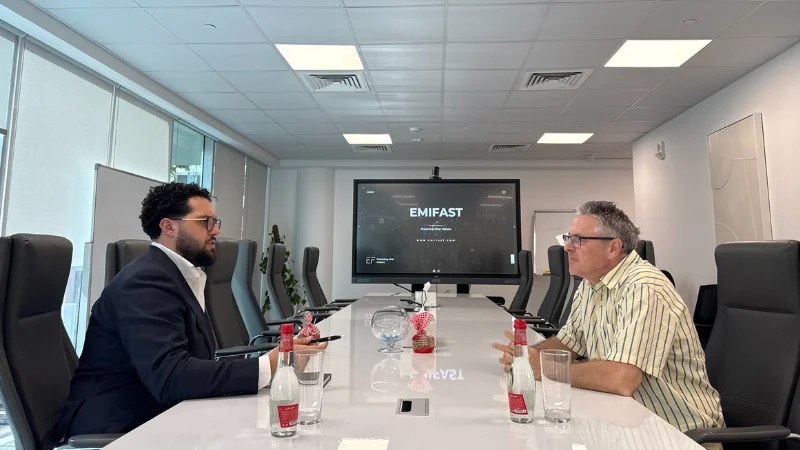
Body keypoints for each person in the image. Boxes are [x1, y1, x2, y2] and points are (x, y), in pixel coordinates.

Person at [58, 182, 325, 438]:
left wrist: (277, 361)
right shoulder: (145, 283)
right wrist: (269, 364)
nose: (216, 231)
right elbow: (172, 377)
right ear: (168, 227)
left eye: (215, 222)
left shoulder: (178, 275)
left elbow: (190, 363)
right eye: (204, 222)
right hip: (124, 429)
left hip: (166, 414)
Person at [493, 201, 724, 436]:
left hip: (677, 435)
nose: (567, 248)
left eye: (578, 240)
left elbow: (622, 379)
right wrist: (527, 356)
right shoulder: (590, 285)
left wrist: (544, 368)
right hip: (623, 424)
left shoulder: (644, 288)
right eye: (568, 238)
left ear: (613, 248)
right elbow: (568, 342)